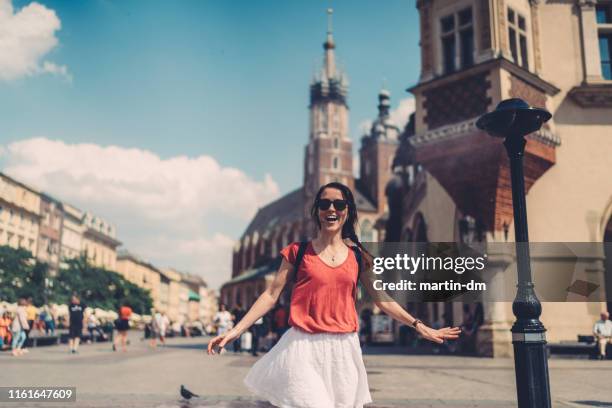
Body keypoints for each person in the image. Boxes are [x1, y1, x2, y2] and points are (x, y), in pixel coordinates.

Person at [207, 182, 461, 407]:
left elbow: (381, 299)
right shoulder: (298, 251)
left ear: (347, 210)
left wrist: (420, 326)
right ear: (316, 210)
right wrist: (235, 331)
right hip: (302, 346)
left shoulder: (357, 256)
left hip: (343, 350)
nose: (331, 209)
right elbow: (271, 295)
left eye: (338, 204)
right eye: (324, 203)